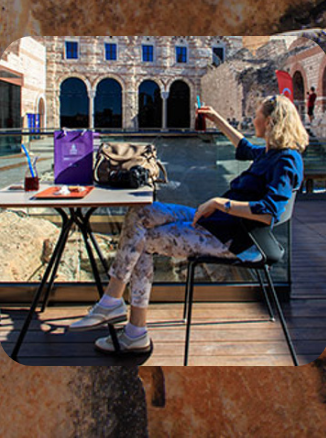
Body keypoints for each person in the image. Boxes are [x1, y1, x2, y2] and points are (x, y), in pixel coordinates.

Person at [69, 95, 308, 355]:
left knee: (142, 241)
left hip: (231, 238)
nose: (253, 118)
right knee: (139, 212)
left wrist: (220, 203)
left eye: (258, 114)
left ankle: (133, 329)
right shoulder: (269, 154)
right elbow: (244, 147)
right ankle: (114, 301)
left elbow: (270, 212)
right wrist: (215, 118)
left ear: (270, 122)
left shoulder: (287, 160)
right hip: (215, 224)